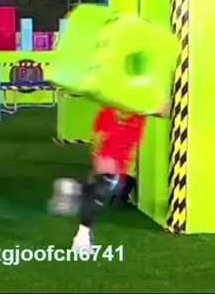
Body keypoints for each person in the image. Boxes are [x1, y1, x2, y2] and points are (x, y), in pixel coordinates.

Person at [72, 100, 169, 252]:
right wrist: (97, 155)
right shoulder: (111, 110)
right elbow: (100, 136)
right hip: (109, 156)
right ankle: (82, 238)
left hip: (119, 160)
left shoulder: (138, 111)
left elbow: (161, 112)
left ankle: (76, 191)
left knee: (97, 189)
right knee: (98, 195)